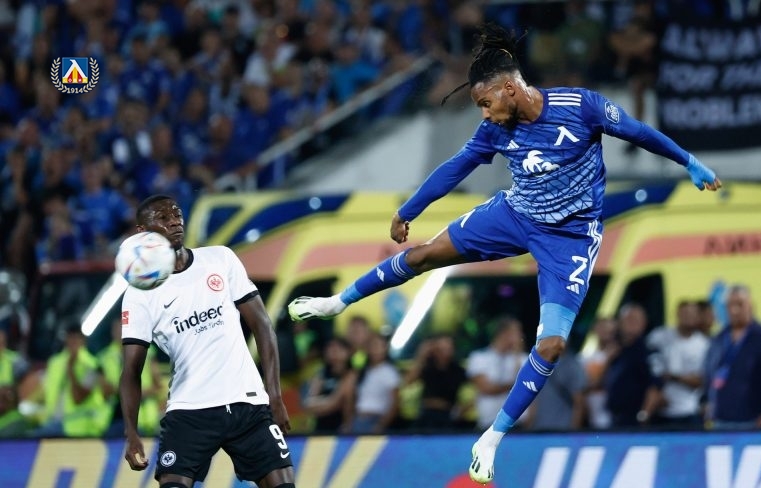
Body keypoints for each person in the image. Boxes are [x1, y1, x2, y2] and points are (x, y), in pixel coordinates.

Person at [286, 22, 721, 483]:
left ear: (509, 89)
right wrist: (408, 210)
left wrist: (688, 162)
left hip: (570, 238)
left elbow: (638, 132)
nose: (486, 114)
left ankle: (491, 437)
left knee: (552, 345)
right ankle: (338, 302)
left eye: (486, 102)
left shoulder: (582, 106)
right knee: (421, 256)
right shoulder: (494, 130)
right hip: (515, 215)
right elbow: (456, 167)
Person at [119, 195, 295, 488]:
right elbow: (131, 370)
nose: (175, 221)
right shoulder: (139, 294)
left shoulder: (220, 259)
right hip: (190, 410)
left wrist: (274, 395)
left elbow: (262, 326)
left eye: (176, 213)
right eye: (163, 218)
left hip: (248, 404)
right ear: (142, 232)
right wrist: (131, 433)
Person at [703, 284, 761, 429]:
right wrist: (708, 401)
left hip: (755, 419)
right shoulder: (718, 339)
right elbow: (709, 373)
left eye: (740, 304)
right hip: (721, 418)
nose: (734, 310)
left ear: (751, 305)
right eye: (730, 305)